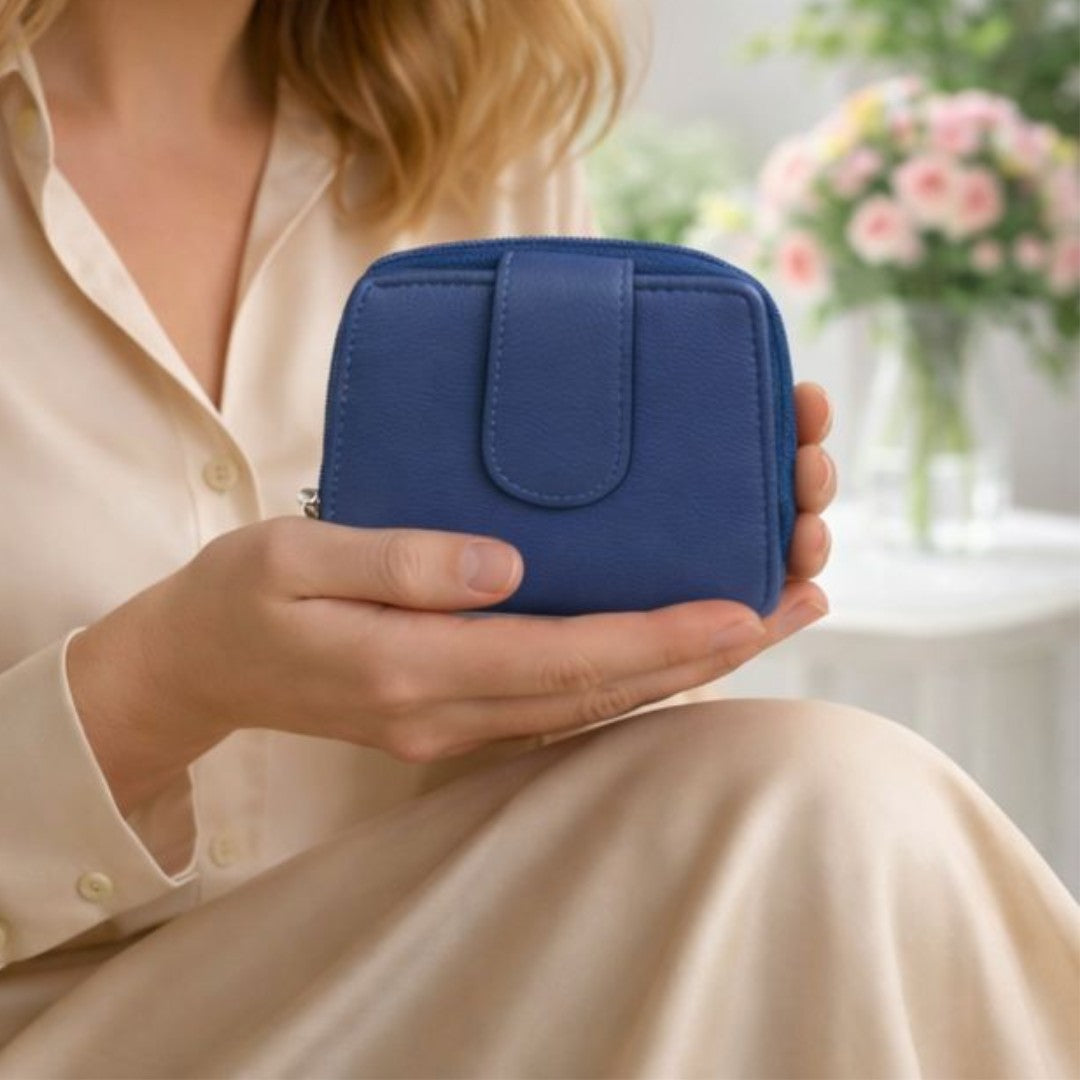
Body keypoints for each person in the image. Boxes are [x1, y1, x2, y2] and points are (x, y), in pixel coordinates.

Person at [0, 0, 1075, 1076]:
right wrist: (162, 684)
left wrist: (626, 666)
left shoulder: (481, 137)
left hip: (449, 988)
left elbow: (603, 784)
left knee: (822, 799)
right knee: (820, 798)